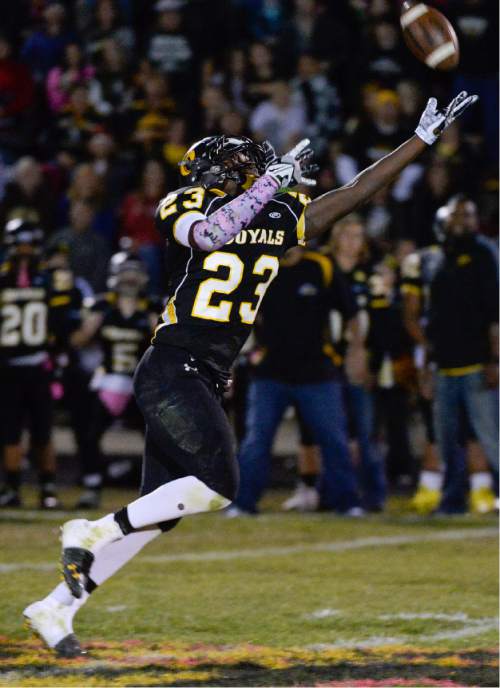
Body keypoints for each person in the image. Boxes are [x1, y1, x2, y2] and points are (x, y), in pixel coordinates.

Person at [23, 90, 477, 657]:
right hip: (172, 364)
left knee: (158, 513)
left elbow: (355, 193)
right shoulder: (182, 201)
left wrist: (420, 141)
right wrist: (269, 184)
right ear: (220, 171)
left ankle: (56, 607)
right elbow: (213, 235)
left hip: (207, 370)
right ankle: (91, 533)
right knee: (219, 485)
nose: (259, 168)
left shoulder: (279, 212)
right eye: (245, 164)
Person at [230, 245, 365, 516]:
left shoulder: (321, 266)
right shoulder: (260, 266)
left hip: (316, 371)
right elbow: (237, 316)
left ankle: (347, 502)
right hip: (270, 371)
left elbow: (351, 312)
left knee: (334, 440)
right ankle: (243, 503)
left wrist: (357, 349)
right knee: (256, 440)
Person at [401, 195, 498, 514]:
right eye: (457, 216)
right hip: (443, 365)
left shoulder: (485, 254)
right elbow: (428, 318)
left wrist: (495, 360)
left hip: (476, 363)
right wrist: (427, 362)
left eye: (467, 216)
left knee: (491, 439)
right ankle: (452, 498)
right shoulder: (433, 259)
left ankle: (484, 491)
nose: (462, 222)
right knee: (446, 441)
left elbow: (495, 315)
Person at [71, 249, 158, 509]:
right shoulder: (101, 306)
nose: (130, 279)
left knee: (158, 438)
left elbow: (166, 346)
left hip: (140, 385)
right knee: (88, 434)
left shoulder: (152, 307)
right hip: (108, 382)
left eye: (134, 274)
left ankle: (155, 489)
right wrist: (91, 326)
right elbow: (77, 342)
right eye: (125, 273)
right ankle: (92, 483)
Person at [0, 219, 76, 509]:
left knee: (40, 431)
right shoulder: (51, 278)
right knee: (13, 431)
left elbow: (61, 325)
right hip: (12, 366)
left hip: (34, 365)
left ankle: (42, 487)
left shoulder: (49, 278)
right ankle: (20, 486)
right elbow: (62, 326)